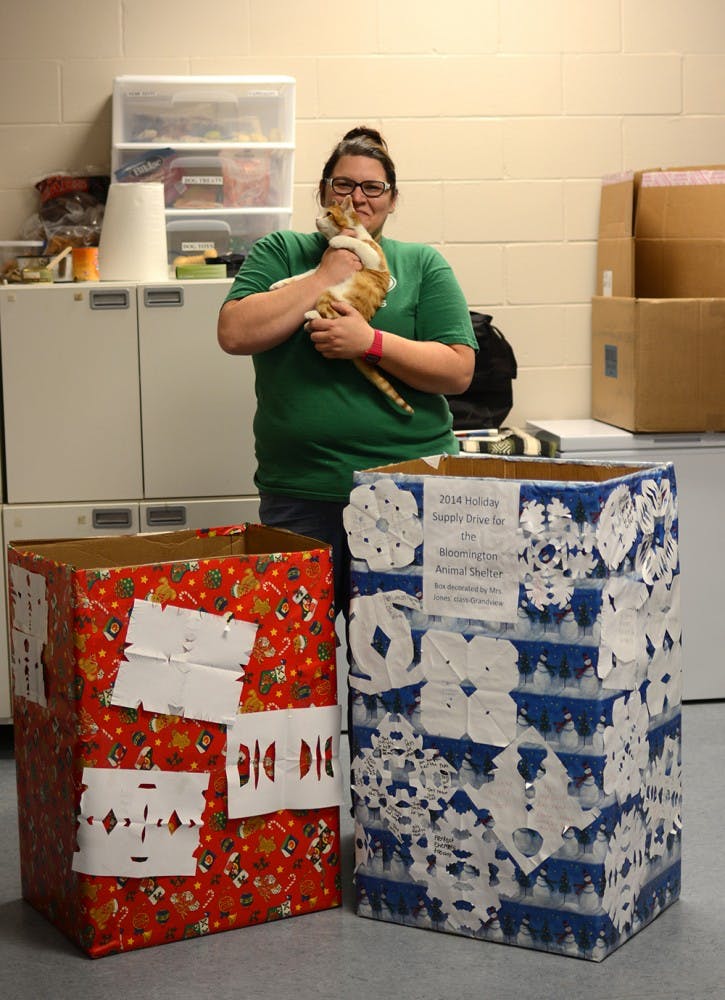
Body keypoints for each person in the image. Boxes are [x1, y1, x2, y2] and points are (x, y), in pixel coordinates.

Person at [217, 126, 477, 621]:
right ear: (323, 192)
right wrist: (324, 276)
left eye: (372, 187)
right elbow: (234, 332)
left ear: (392, 199)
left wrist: (371, 343)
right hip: (301, 491)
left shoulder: (421, 264)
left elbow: (459, 370)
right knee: (292, 653)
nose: (357, 197)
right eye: (343, 184)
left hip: (409, 489)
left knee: (406, 653)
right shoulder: (280, 252)